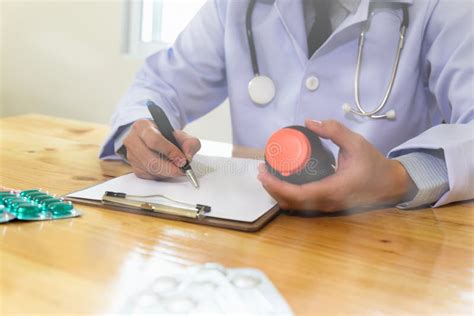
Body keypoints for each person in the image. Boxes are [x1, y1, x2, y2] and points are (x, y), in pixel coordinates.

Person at [100, 0, 474, 212]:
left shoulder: (445, 8)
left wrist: (397, 178)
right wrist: (141, 131)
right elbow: (160, 83)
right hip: (254, 242)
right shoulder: (235, 6)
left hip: (388, 246)